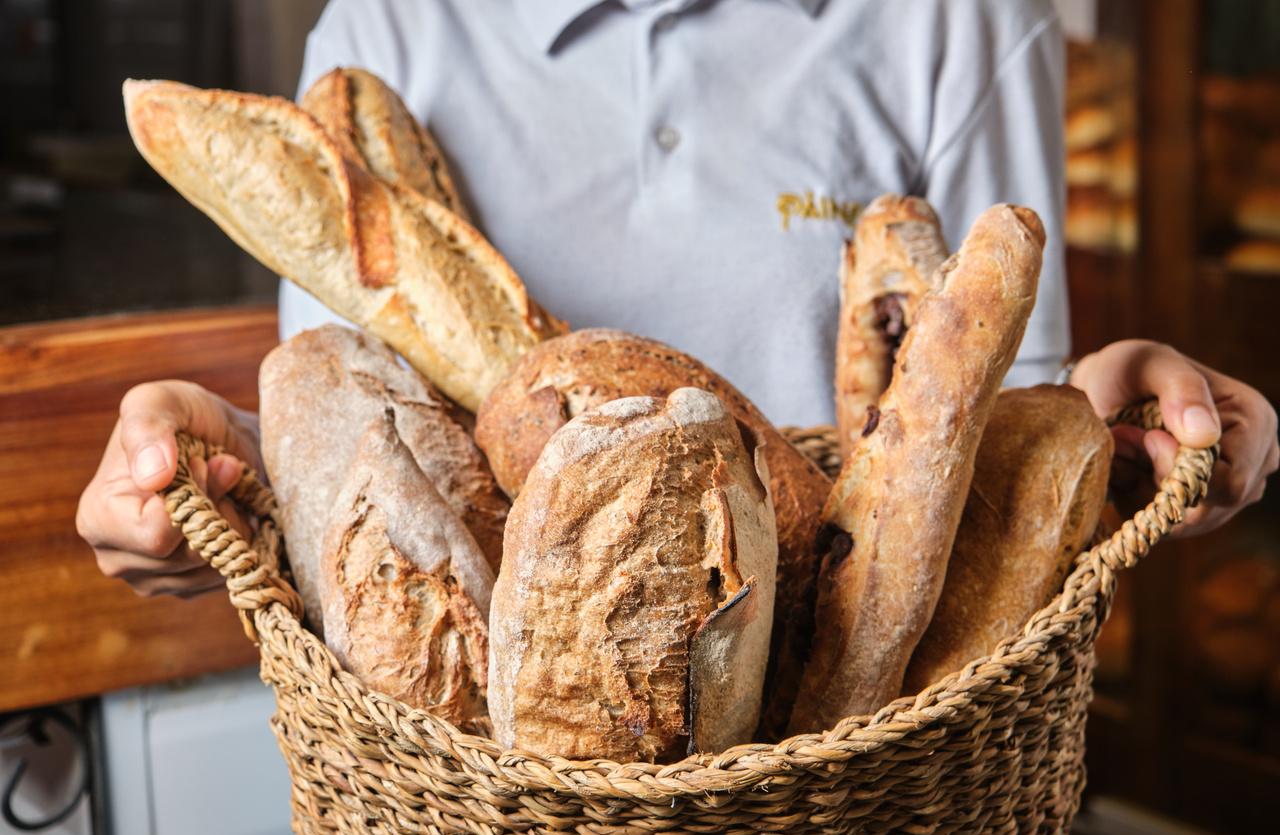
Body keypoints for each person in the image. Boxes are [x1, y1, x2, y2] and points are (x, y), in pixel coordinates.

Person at [77, 0, 1278, 597]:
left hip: (867, 777)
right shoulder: (388, 26)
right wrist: (210, 477)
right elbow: (361, 469)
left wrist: (1109, 421)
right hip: (510, 780)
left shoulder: (954, 20)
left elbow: (999, 474)